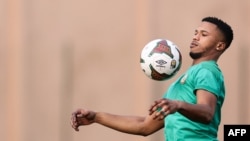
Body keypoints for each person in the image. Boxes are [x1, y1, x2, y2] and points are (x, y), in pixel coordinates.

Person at [71, 16, 233, 141]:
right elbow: (144, 126)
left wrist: (177, 104)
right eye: (195, 32)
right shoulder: (180, 84)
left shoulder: (207, 70)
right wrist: (97, 117)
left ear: (219, 45)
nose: (196, 37)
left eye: (204, 34)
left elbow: (207, 112)